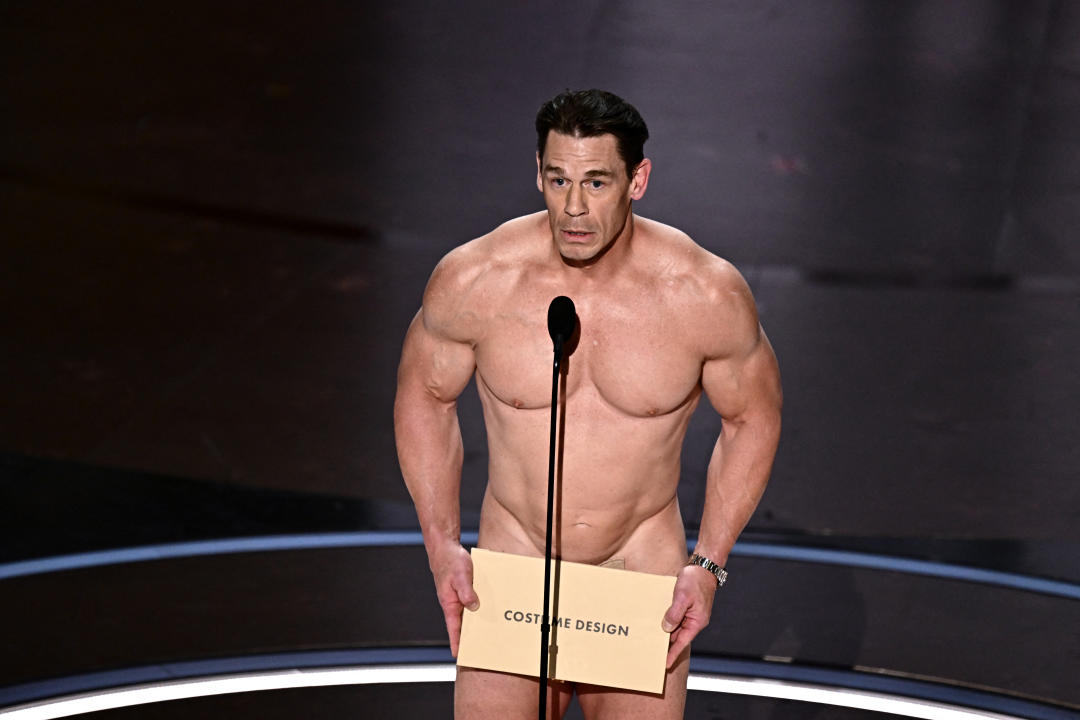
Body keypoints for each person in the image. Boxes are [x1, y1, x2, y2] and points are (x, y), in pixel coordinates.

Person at [394, 89, 782, 719]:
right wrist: (441, 545)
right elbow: (425, 397)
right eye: (558, 179)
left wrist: (709, 564)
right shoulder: (478, 278)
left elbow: (752, 417)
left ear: (638, 180)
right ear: (538, 174)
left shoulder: (701, 294)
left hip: (638, 576)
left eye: (597, 182)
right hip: (515, 571)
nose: (573, 207)